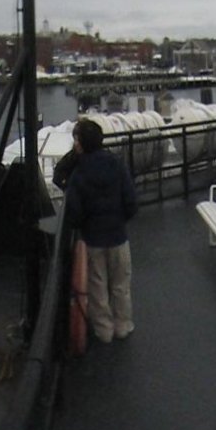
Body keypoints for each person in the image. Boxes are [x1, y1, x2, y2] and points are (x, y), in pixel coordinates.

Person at [63, 119, 139, 343]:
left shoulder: (78, 173)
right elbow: (131, 201)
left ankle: (104, 330)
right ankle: (123, 325)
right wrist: (120, 220)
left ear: (81, 143)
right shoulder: (116, 164)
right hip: (118, 236)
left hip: (93, 238)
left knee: (97, 288)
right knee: (121, 285)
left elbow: (74, 211)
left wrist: (83, 226)